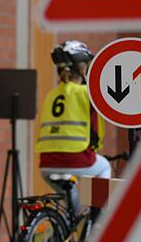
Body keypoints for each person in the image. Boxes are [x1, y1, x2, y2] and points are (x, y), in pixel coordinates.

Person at [35, 40, 110, 212]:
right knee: (104, 167)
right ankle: (98, 218)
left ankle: (69, 227)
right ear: (82, 69)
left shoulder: (51, 94)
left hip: (46, 163)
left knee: (72, 200)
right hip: (77, 158)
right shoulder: (86, 92)